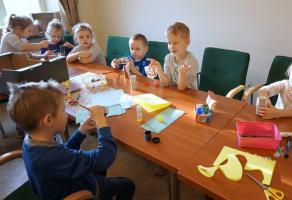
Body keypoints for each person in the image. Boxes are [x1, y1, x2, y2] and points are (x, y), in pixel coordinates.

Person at [7, 80, 135, 200]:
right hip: (76, 189)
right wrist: (101, 121)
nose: (67, 114)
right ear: (48, 120)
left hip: (57, 182)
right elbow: (104, 157)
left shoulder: (32, 139)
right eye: (63, 110)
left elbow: (62, 153)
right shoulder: (51, 157)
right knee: (127, 185)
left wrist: (80, 132)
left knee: (99, 169)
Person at [149, 22, 199, 90]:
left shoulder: (191, 61)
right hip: (174, 94)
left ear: (187, 42)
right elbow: (166, 83)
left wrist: (182, 74)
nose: (171, 47)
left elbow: (182, 88)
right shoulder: (168, 58)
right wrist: (159, 69)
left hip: (189, 95)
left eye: (175, 43)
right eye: (169, 43)